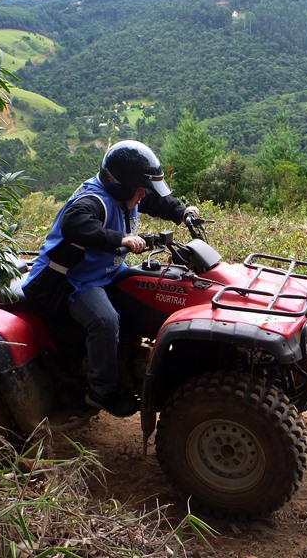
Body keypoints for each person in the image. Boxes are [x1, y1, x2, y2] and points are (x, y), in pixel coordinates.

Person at [22, 140, 198, 417]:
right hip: (76, 280)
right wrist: (121, 239)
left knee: (149, 287)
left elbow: (155, 201)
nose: (143, 195)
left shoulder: (130, 195)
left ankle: (131, 356)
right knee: (104, 321)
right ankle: (102, 391)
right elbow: (75, 223)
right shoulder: (93, 200)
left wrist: (181, 212)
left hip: (108, 270)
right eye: (140, 189)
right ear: (122, 186)